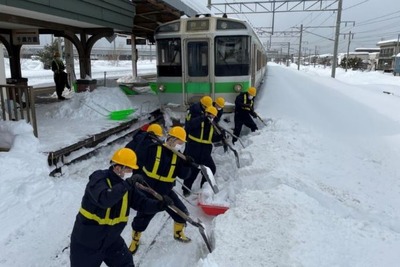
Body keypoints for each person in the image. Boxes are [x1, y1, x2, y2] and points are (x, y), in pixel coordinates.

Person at [70, 148, 172, 267]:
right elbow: (105, 199)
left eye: (132, 169)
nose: (131, 172)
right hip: (87, 243)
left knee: (126, 264)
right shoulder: (99, 179)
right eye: (129, 169)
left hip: (111, 240)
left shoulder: (127, 187)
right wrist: (127, 184)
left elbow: (142, 203)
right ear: (118, 167)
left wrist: (160, 205)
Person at [129, 126, 193, 254]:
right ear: (171, 139)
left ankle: (178, 233)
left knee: (182, 212)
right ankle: (135, 240)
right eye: (179, 142)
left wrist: (187, 165)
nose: (180, 146)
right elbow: (138, 159)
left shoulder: (180, 157)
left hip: (166, 191)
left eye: (182, 144)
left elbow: (183, 175)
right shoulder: (153, 148)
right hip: (148, 189)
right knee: (142, 218)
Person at [182, 106, 223, 196]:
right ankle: (186, 189)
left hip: (205, 152)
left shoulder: (213, 125)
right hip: (193, 149)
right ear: (205, 113)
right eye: (209, 115)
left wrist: (220, 136)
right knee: (193, 171)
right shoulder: (198, 121)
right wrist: (202, 118)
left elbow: (211, 138)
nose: (211, 117)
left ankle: (204, 186)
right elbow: (190, 125)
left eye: (213, 116)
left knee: (211, 168)